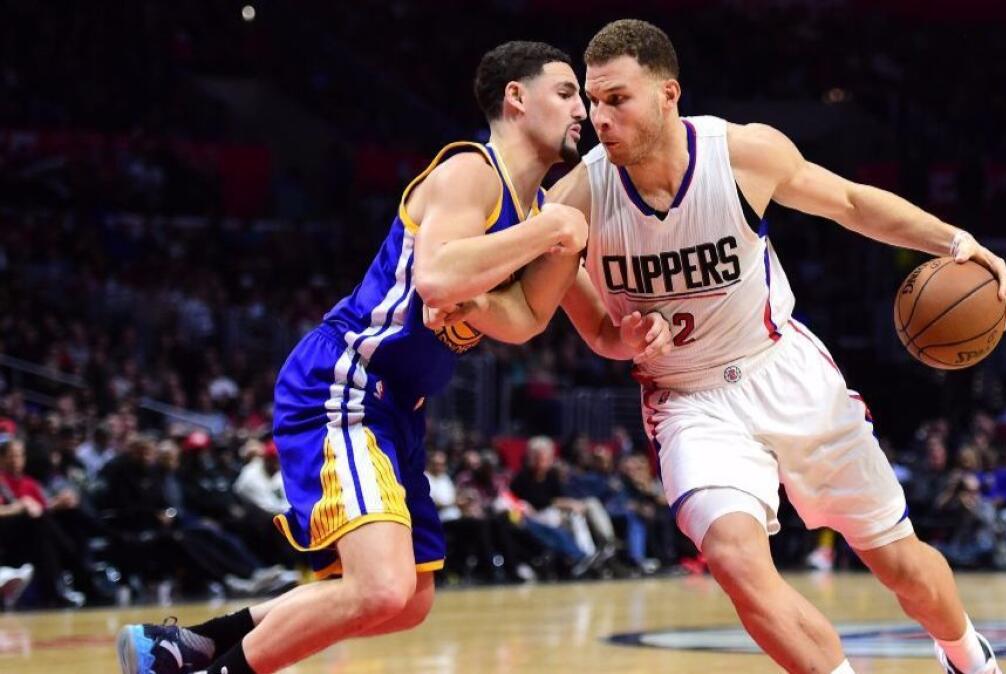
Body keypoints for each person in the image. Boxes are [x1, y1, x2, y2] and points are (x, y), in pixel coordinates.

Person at [117, 40, 629, 674]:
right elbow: (438, 278)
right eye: (567, 92)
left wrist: (493, 297)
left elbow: (524, 322)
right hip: (347, 383)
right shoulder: (471, 171)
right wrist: (549, 234)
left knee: (407, 599)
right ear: (515, 99)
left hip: (399, 410)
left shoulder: (539, 212)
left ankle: (182, 647)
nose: (581, 108)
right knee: (380, 586)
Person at [547, 19, 1006, 674]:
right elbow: (591, 328)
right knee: (737, 562)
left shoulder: (741, 154)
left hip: (784, 369)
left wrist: (954, 241)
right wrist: (618, 337)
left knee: (903, 566)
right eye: (593, 101)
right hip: (689, 402)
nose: (600, 117)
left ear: (667, 94)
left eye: (617, 98)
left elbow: (850, 202)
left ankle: (969, 656)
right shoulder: (576, 199)